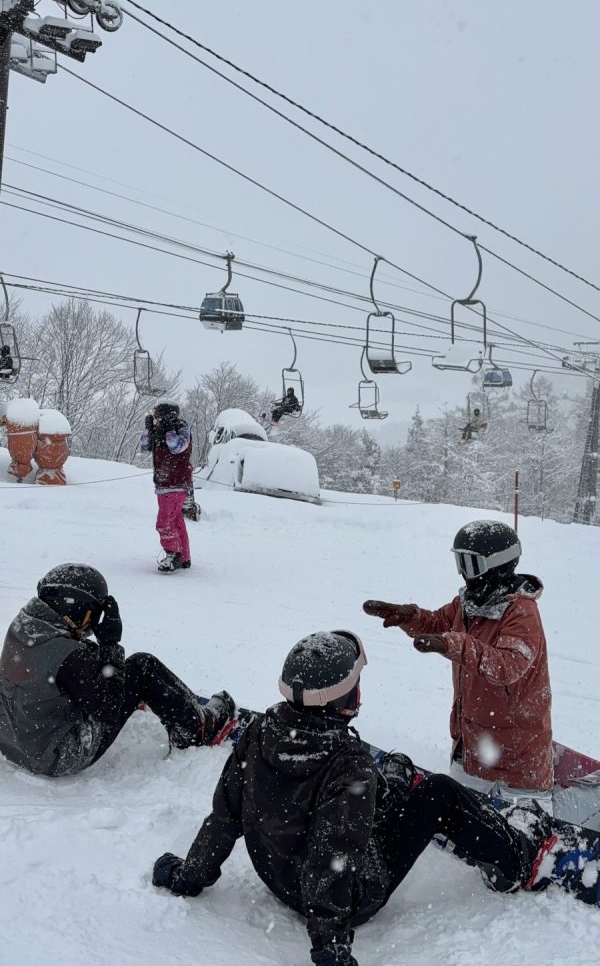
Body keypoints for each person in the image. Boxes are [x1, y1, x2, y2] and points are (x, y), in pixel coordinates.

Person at [151, 629, 548, 965]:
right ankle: (517, 858)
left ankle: (389, 784)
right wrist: (331, 947)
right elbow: (333, 856)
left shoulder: (259, 733)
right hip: (345, 900)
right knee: (440, 793)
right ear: (345, 699)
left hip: (278, 875)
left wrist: (190, 875)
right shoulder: (347, 764)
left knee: (359, 799)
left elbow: (224, 818)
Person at [364, 520, 553, 811]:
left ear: (497, 566)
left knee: (505, 842)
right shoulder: (469, 603)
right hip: (471, 748)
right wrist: (407, 617)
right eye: (460, 562)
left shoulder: (522, 612)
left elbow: (507, 666)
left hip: (515, 766)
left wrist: (454, 644)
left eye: (471, 564)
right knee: (457, 832)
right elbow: (435, 623)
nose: (465, 574)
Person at [0, 563, 236, 777]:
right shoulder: (69, 656)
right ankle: (198, 728)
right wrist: (110, 645)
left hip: (13, 741)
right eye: (94, 613)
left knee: (92, 660)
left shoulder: (27, 624)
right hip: (55, 755)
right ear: (77, 610)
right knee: (143, 667)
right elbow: (109, 708)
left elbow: (61, 663)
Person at [140, 401, 193, 573]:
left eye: (157, 414)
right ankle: (184, 556)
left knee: (164, 522)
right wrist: (149, 429)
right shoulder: (159, 430)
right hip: (164, 483)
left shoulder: (182, 429)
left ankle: (173, 554)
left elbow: (176, 447)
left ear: (167, 414)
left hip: (176, 483)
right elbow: (144, 448)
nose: (155, 417)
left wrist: (169, 429)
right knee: (176, 521)